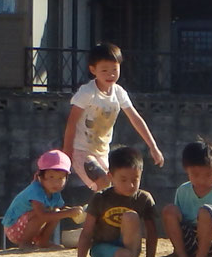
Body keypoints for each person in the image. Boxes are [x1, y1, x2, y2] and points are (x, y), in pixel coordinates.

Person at [69, 145, 157, 257]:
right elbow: (87, 233)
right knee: (123, 255)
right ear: (110, 176)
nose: (130, 185)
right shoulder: (101, 198)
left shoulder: (143, 199)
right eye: (123, 180)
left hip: (130, 247)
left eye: (135, 179)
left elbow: (152, 232)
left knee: (131, 217)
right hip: (103, 249)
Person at [61, 43, 163, 193]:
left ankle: (95, 214)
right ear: (93, 70)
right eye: (104, 70)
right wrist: (67, 152)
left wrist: (153, 147)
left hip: (102, 152)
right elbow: (71, 122)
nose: (110, 74)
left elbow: (135, 118)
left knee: (116, 187)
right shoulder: (87, 93)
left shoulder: (118, 92)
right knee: (103, 182)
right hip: (82, 151)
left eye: (114, 69)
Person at [3, 150, 85, 250]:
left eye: (60, 178)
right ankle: (25, 243)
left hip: (30, 225)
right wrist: (68, 213)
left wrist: (74, 211)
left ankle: (43, 241)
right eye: (51, 177)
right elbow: (41, 215)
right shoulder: (36, 191)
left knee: (56, 212)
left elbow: (61, 209)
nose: (55, 182)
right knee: (44, 215)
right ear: (40, 177)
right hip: (14, 228)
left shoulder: (55, 193)